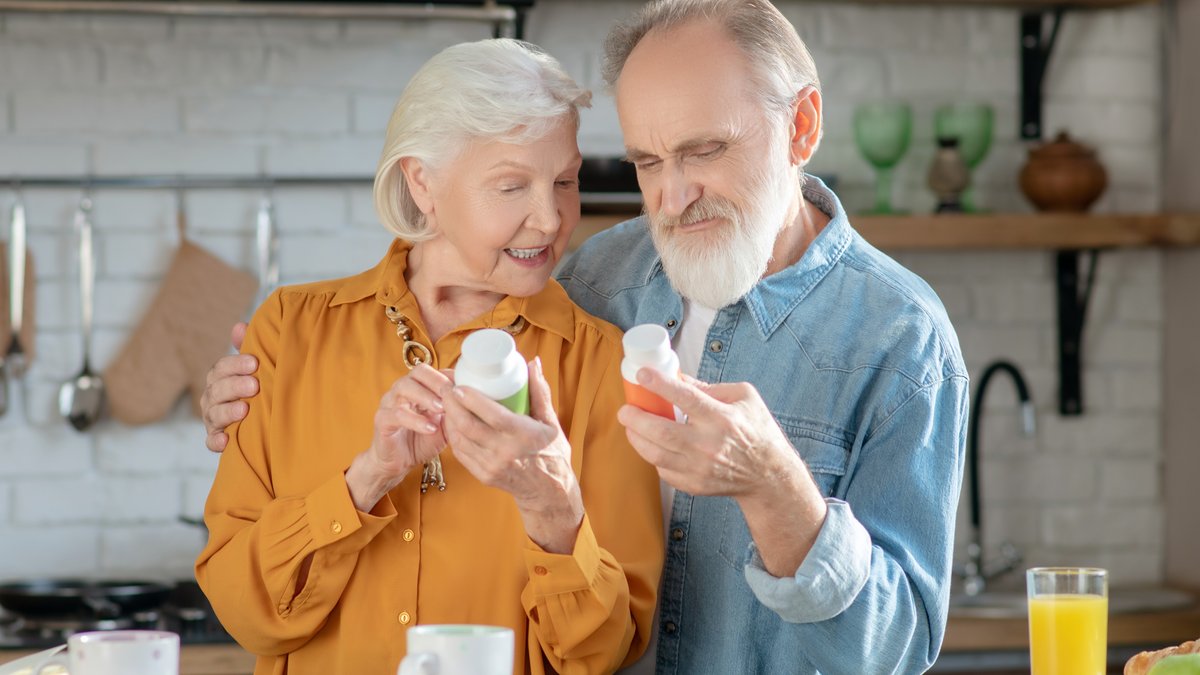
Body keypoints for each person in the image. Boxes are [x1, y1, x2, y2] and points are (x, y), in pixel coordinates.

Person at [203, 1, 970, 673]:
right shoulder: (595, 279)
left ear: (800, 125)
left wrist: (776, 486)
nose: (673, 195)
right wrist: (264, 392)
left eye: (704, 150)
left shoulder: (902, 340)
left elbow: (895, 650)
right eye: (646, 161)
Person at [194, 38, 663, 675]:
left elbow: (601, 653)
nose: (551, 219)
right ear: (424, 182)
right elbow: (245, 612)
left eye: (564, 181)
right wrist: (365, 482)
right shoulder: (289, 331)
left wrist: (553, 511)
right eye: (510, 186)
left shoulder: (599, 364)